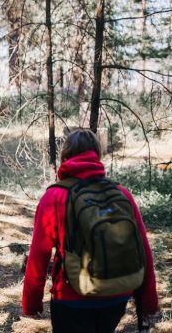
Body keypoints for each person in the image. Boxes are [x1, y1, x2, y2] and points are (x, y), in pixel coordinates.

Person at [22, 128, 159, 333]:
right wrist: (149, 302)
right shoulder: (121, 193)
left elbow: (38, 256)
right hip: (118, 294)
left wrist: (31, 303)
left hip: (71, 299)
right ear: (97, 155)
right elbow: (143, 251)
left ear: (65, 156)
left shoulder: (54, 197)